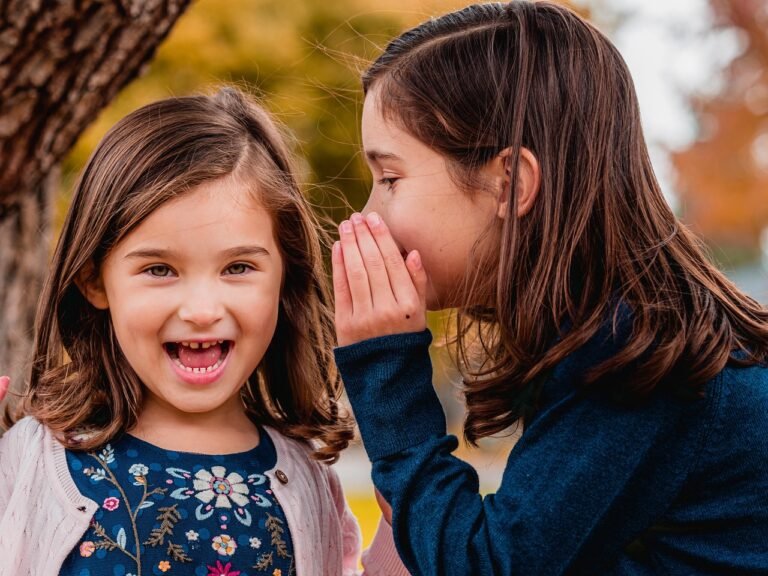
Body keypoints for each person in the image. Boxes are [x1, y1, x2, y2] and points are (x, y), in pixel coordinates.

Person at [331, 1, 768, 574]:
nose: (368, 216)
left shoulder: (634, 354)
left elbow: (488, 566)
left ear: (511, 184)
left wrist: (386, 372)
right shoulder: (633, 326)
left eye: (390, 178)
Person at [0, 88, 409, 576]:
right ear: (94, 279)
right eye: (159, 269)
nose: (200, 310)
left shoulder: (307, 482)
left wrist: (402, 509)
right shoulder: (28, 463)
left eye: (237, 267)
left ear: (286, 277)